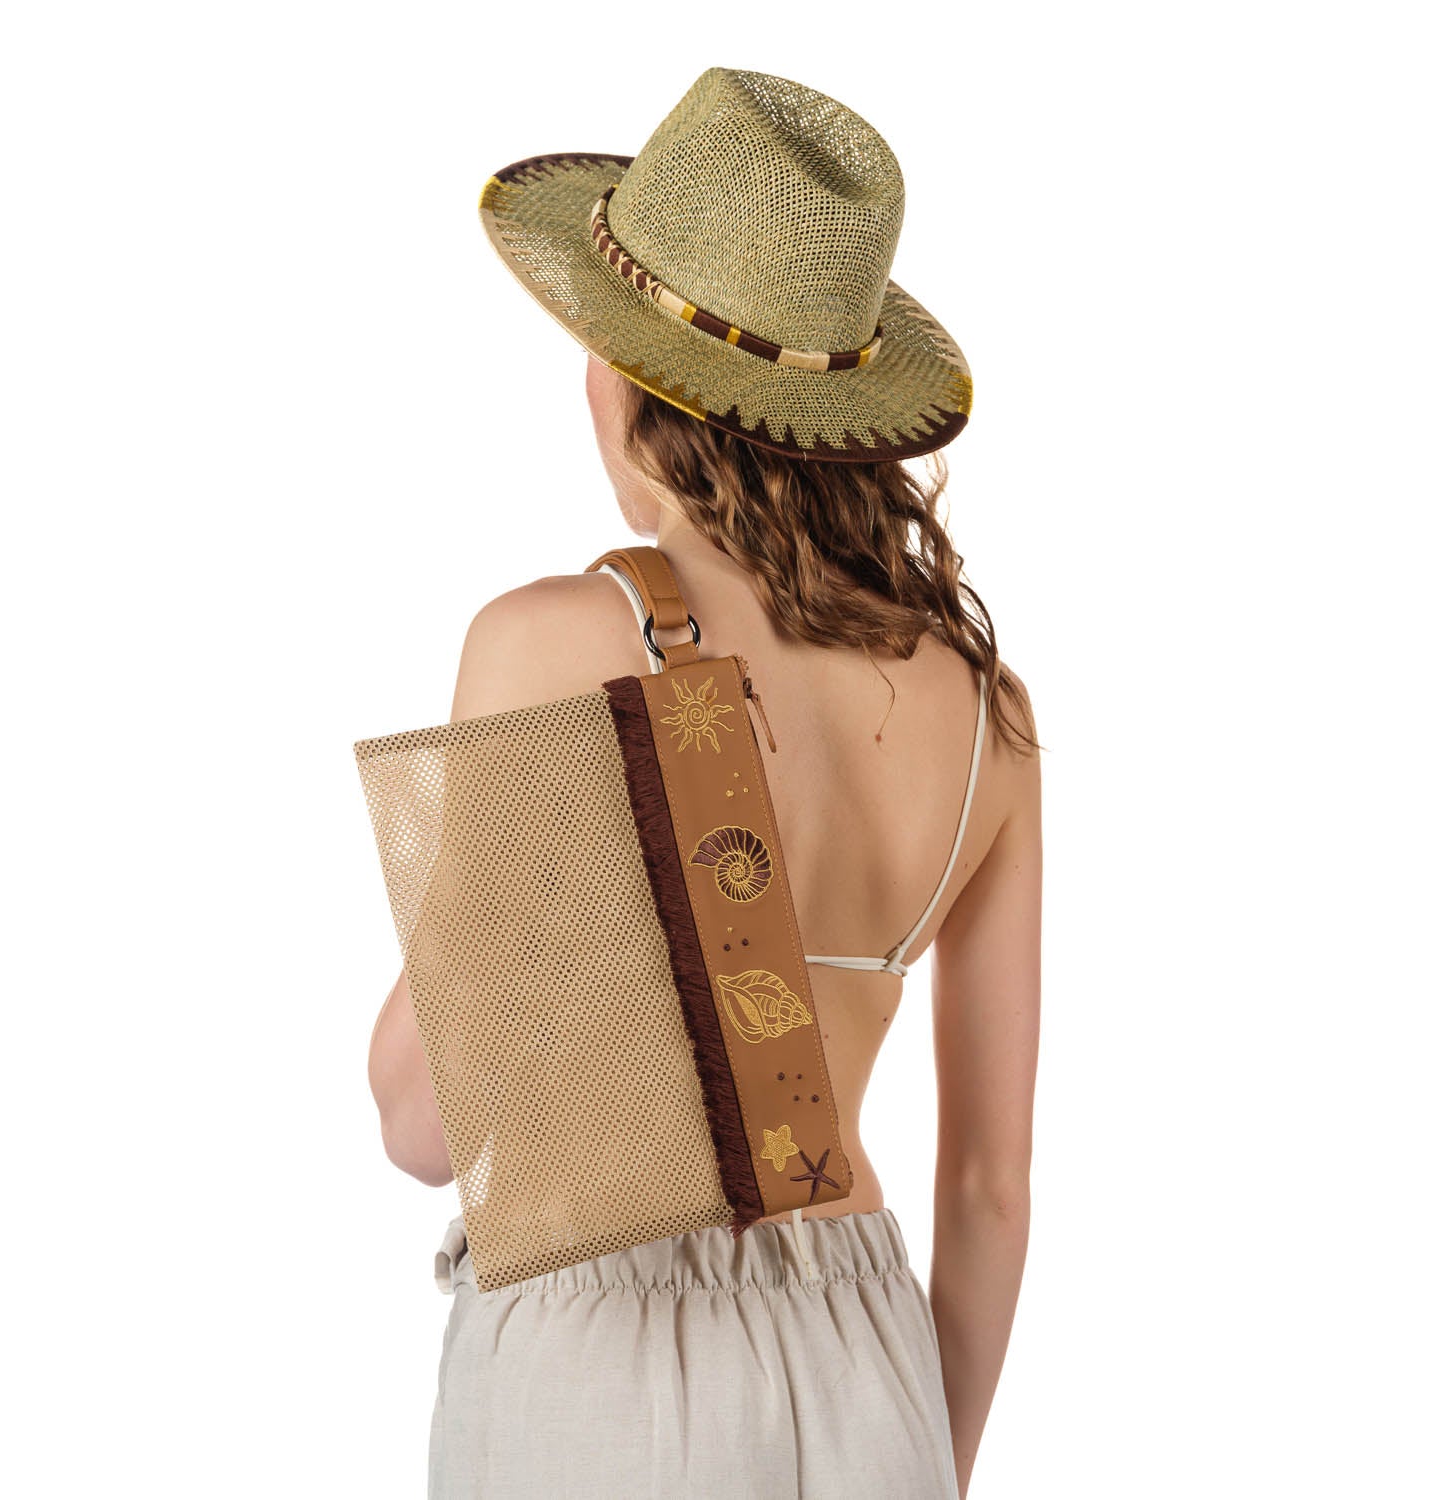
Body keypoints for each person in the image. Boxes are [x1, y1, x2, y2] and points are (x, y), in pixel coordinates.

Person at [367, 67, 1041, 1499]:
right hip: (870, 1353)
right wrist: (921, 1456)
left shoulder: (558, 639)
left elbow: (425, 1125)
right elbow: (989, 1190)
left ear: (628, 383)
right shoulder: (990, 715)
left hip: (604, 1364)